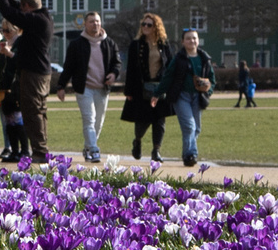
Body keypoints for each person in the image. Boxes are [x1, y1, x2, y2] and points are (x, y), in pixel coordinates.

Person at [0, 0, 52, 160]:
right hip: (39, 72)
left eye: (23, 7)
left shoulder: (36, 20)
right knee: (37, 110)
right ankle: (41, 149)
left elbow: (12, 14)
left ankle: (40, 151)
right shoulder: (42, 17)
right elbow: (18, 10)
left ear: (27, 6)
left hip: (34, 73)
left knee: (32, 111)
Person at [59, 10, 121, 164]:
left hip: (102, 88)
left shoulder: (109, 43)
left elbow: (117, 62)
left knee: (98, 122)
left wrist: (113, 74)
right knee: (89, 119)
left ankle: (88, 147)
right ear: (85, 24)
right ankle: (94, 150)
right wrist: (61, 86)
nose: (95, 24)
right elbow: (68, 67)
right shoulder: (77, 44)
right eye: (92, 21)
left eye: (98, 21)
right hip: (84, 88)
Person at [158, 28, 221, 168]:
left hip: (197, 97)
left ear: (198, 40)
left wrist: (208, 91)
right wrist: (157, 93)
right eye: (188, 38)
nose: (192, 41)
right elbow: (168, 77)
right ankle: (190, 155)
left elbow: (212, 79)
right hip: (181, 97)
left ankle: (188, 153)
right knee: (189, 126)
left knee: (196, 128)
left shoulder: (204, 58)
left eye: (194, 38)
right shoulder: (178, 59)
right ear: (183, 41)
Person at [124, 11, 172, 162]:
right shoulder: (136, 45)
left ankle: (156, 151)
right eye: (143, 24)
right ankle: (137, 141)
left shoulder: (163, 45)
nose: (145, 27)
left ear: (156, 27)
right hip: (141, 88)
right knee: (142, 121)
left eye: (149, 25)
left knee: (159, 120)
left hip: (159, 89)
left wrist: (168, 85)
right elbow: (130, 68)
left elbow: (170, 65)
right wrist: (129, 91)